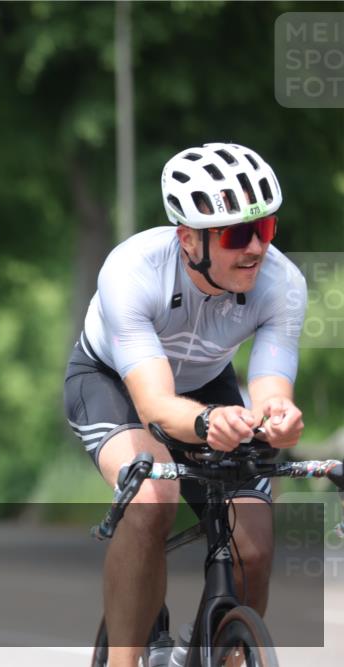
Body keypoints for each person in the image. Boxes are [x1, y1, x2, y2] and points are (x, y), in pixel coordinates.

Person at [63, 143, 306, 666]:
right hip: (115, 384)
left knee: (255, 543)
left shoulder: (283, 284)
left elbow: (269, 392)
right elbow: (154, 406)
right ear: (188, 238)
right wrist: (206, 421)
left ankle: (215, 650)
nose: (255, 248)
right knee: (151, 500)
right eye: (237, 234)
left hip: (207, 384)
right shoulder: (131, 270)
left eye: (264, 229)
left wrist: (277, 421)